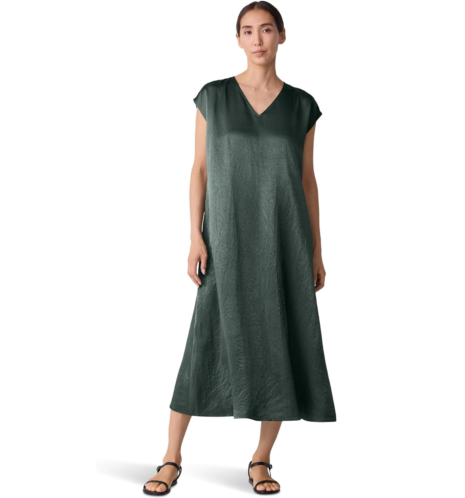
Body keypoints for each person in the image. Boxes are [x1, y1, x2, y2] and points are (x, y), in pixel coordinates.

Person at [143, 1, 336, 495]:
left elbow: (307, 180)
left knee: (280, 341)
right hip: (225, 239)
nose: (257, 40)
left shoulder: (302, 106)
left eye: (266, 30)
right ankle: (171, 457)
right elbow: (199, 169)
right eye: (247, 31)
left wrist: (316, 251)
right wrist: (195, 235)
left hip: (284, 240)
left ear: (282, 36)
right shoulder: (213, 96)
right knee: (203, 342)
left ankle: (261, 459)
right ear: (237, 39)